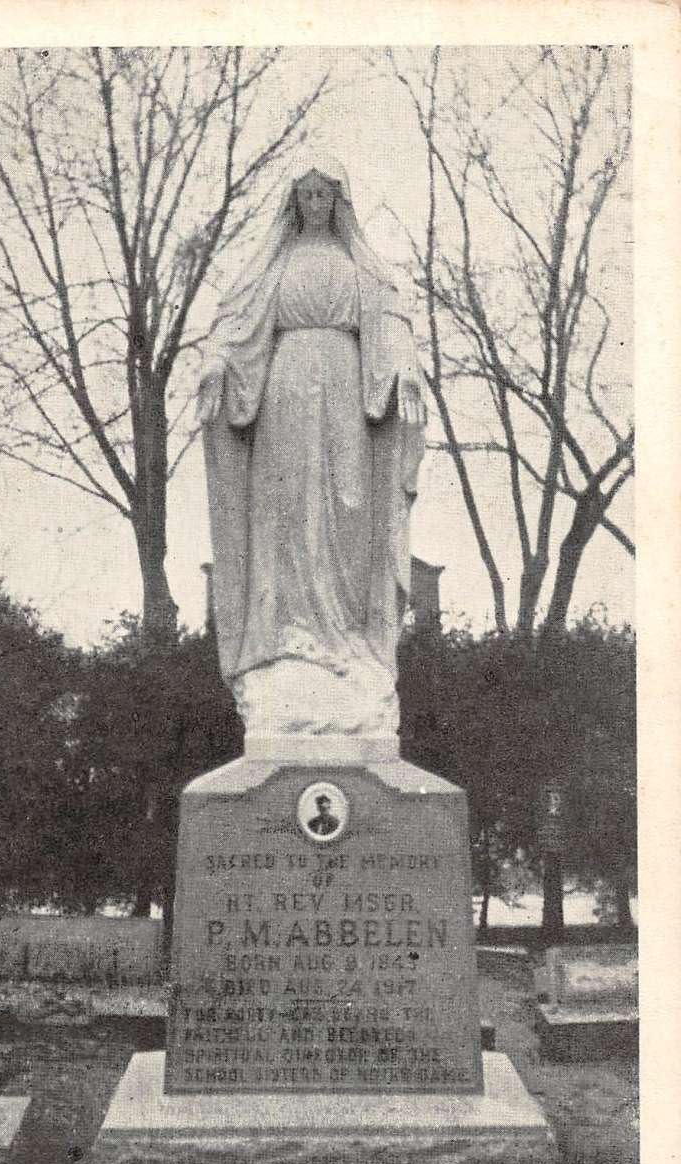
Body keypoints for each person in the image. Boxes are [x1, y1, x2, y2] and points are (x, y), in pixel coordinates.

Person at [198, 154, 427, 740]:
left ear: (339, 201)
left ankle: (347, 639)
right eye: (307, 195)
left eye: (325, 194)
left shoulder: (362, 266)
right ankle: (288, 639)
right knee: (288, 512)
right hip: (286, 395)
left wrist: (405, 368)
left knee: (350, 512)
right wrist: (217, 363)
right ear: (295, 202)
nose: (316, 204)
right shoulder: (273, 266)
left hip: (347, 395)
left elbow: (392, 322)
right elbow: (233, 323)